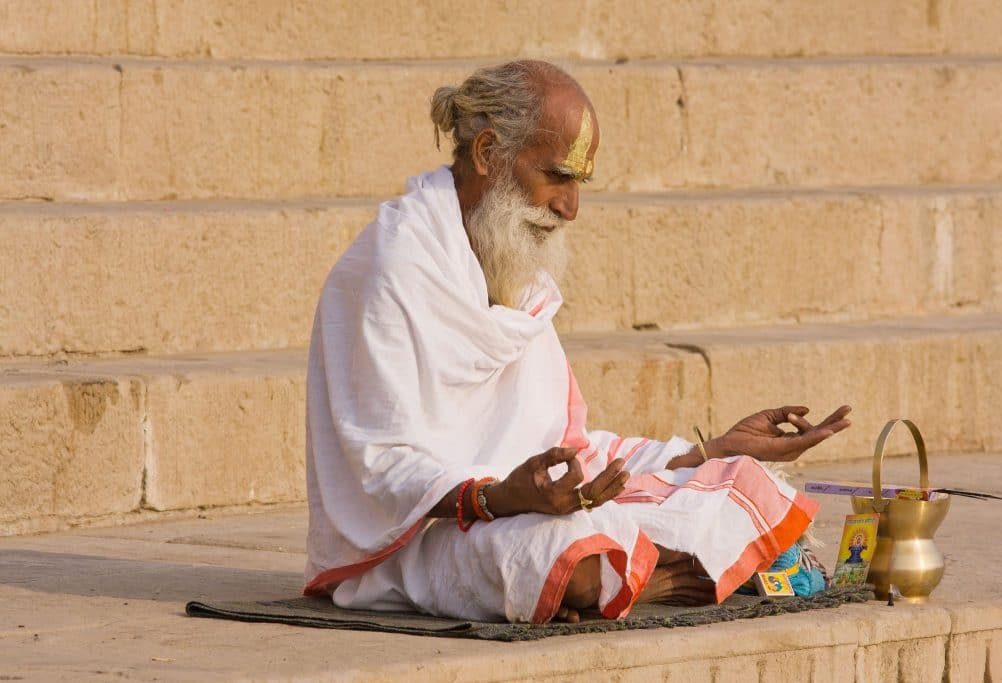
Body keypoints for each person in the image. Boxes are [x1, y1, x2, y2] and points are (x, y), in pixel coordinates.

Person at [304, 60, 852, 624]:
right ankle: (636, 579)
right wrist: (501, 499)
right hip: (421, 537)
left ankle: (622, 571)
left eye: (578, 184)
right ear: (488, 153)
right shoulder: (389, 269)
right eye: (557, 176)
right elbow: (380, 467)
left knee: (744, 482)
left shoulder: (513, 277)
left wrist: (711, 451)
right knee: (561, 556)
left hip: (534, 509)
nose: (570, 207)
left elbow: (574, 450)